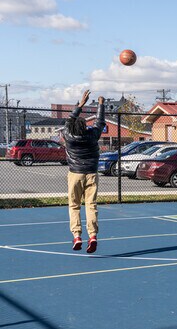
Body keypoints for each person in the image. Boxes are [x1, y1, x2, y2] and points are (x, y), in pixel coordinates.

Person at [62, 90, 105, 253]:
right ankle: (92, 235)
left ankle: (77, 235)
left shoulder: (69, 135)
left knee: (74, 205)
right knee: (91, 205)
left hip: (75, 173)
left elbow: (68, 121)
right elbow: (100, 122)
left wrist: (81, 104)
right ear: (85, 126)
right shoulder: (92, 135)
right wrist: (100, 104)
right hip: (91, 174)